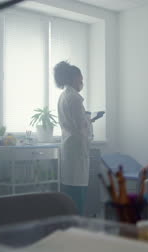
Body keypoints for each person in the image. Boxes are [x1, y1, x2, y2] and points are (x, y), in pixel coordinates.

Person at [53, 61, 89, 214]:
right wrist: (88, 122)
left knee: (70, 192)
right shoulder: (74, 98)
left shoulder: (63, 96)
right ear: (74, 78)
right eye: (81, 80)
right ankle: (77, 228)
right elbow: (81, 126)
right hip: (76, 149)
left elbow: (72, 123)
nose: (82, 83)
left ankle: (70, 227)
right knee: (77, 195)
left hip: (69, 147)